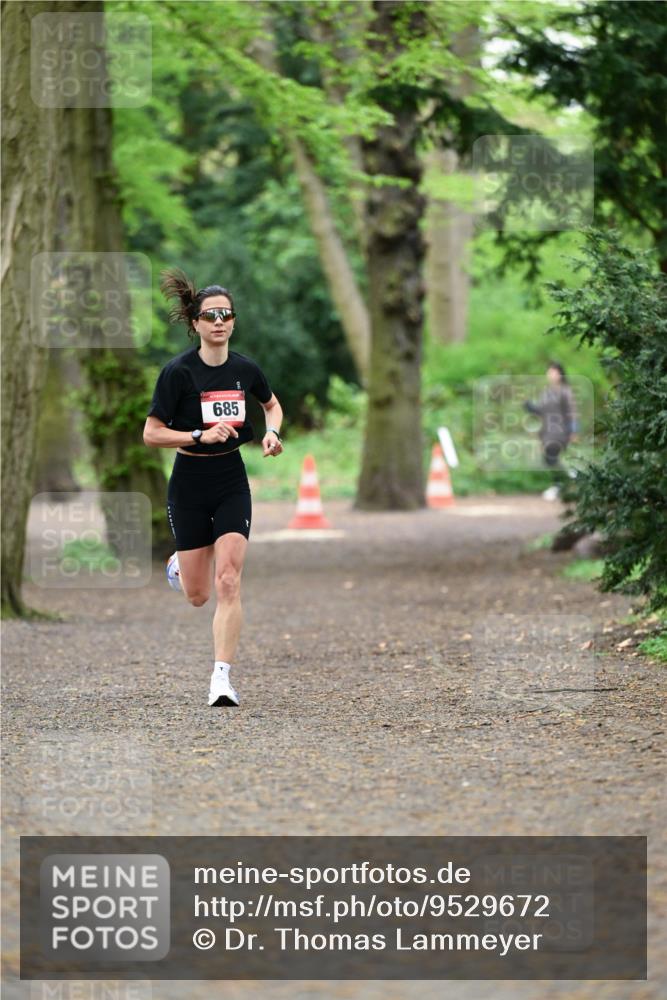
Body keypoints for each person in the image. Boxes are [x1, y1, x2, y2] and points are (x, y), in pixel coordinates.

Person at [143, 269, 283, 707]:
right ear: (196, 323)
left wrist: (273, 433)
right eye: (210, 316)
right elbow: (152, 434)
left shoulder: (245, 369)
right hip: (188, 481)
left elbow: (271, 405)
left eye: (226, 314)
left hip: (230, 480)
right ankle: (179, 567)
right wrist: (198, 435)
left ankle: (221, 679)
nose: (219, 322)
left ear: (233, 321)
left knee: (228, 580)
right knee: (198, 595)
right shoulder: (177, 373)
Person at [524, 361, 577, 501]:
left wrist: (573, 430)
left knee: (551, 456)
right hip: (546, 431)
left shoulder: (565, 391)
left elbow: (572, 411)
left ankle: (562, 481)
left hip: (560, 430)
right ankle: (566, 478)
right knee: (548, 458)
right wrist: (530, 407)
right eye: (549, 372)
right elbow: (541, 411)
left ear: (560, 374)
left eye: (553, 372)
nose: (550, 374)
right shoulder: (546, 392)